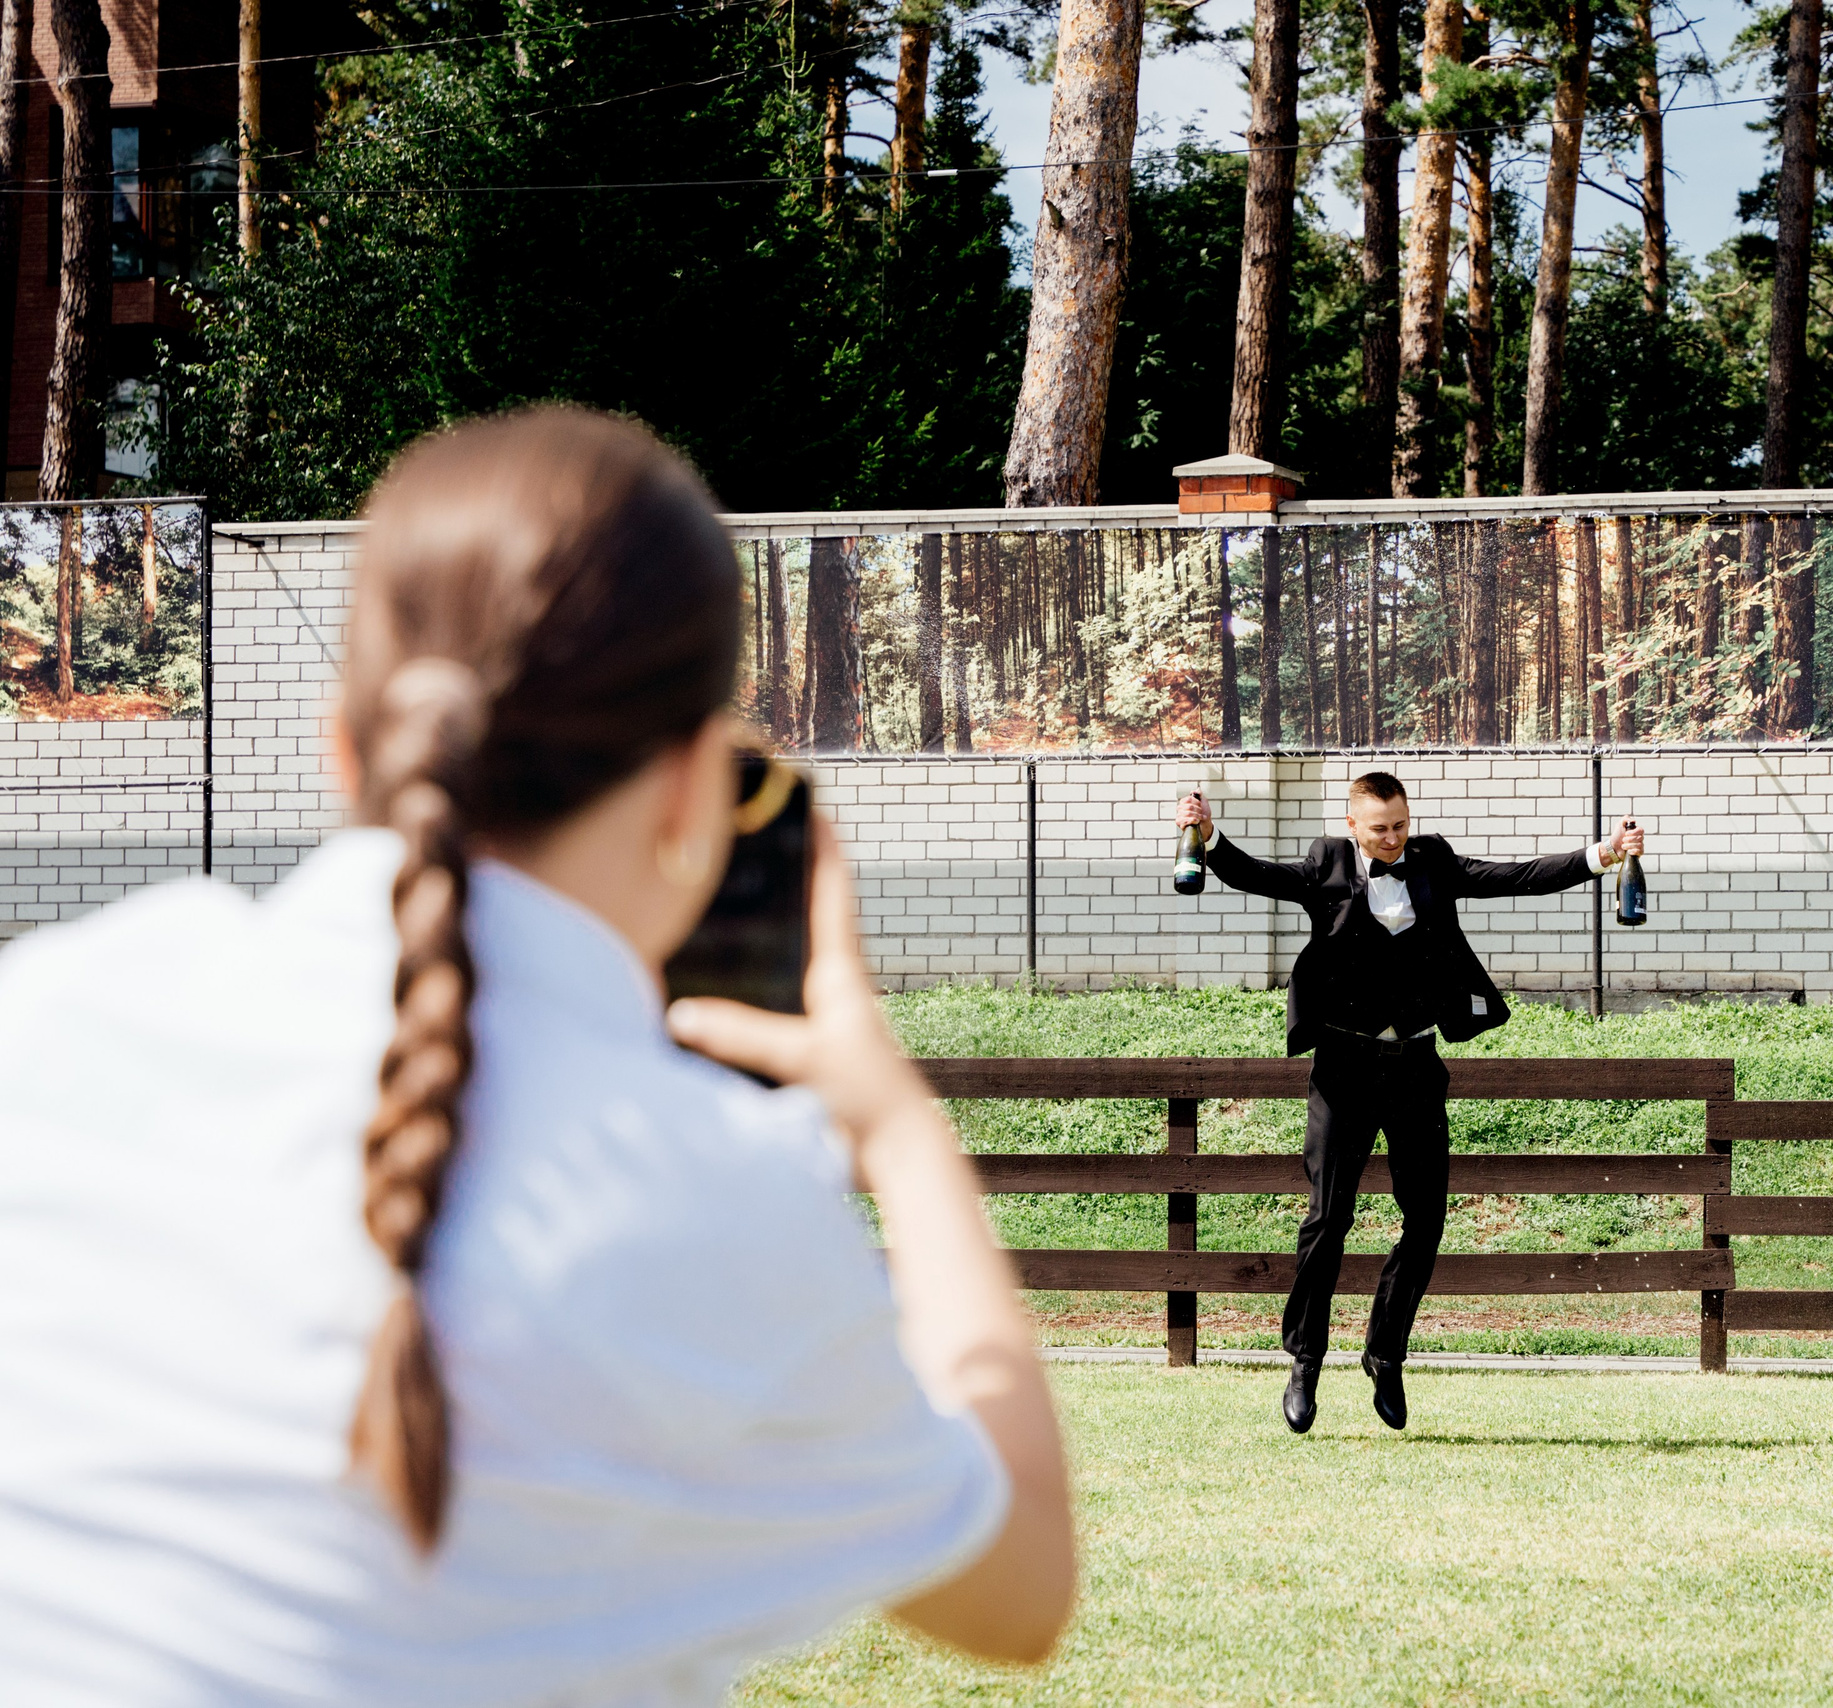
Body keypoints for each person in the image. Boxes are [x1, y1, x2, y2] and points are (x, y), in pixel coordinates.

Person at [0, 408, 1074, 1705]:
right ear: (693, 793)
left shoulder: (46, 1017)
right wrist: (899, 1131)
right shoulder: (725, 1195)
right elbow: (1016, 1583)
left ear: (348, 748)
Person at [1174, 772, 1645, 1434]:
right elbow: (1258, 876)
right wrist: (1207, 833)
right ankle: (1305, 1361)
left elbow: (1514, 877)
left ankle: (1385, 1354)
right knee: (1326, 1220)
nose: (1392, 838)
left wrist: (1603, 854)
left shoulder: (1434, 861)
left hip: (1417, 1066)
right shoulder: (1325, 865)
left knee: (1426, 1223)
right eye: (1379, 828)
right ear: (1352, 826)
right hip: (1344, 1067)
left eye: (1399, 824)